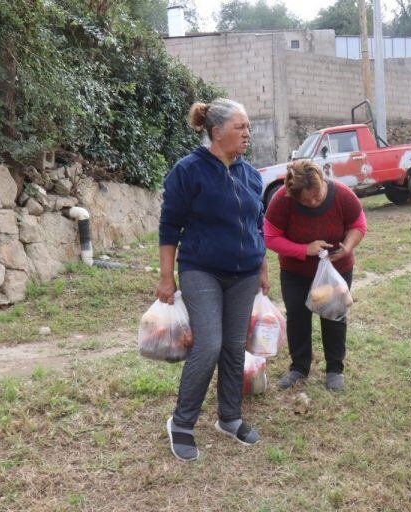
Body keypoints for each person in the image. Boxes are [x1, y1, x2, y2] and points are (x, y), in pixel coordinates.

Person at [157, 98, 268, 461]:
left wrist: (262, 266)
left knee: (235, 346)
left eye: (248, 127)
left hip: (245, 273)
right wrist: (165, 277)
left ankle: (230, 418)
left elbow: (257, 224)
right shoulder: (188, 171)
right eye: (240, 127)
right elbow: (169, 226)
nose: (247, 133)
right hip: (201, 269)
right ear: (217, 132)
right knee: (209, 344)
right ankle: (182, 423)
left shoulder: (250, 174)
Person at [264, 160, 366, 392]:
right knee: (297, 317)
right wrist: (304, 250)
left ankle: (334, 370)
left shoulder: (342, 194)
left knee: (334, 315)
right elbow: (269, 237)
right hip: (295, 273)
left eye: (317, 196)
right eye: (306, 199)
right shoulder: (282, 200)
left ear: (323, 182)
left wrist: (348, 247)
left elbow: (358, 225)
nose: (313, 202)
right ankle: (299, 368)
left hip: (336, 271)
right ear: (292, 193)